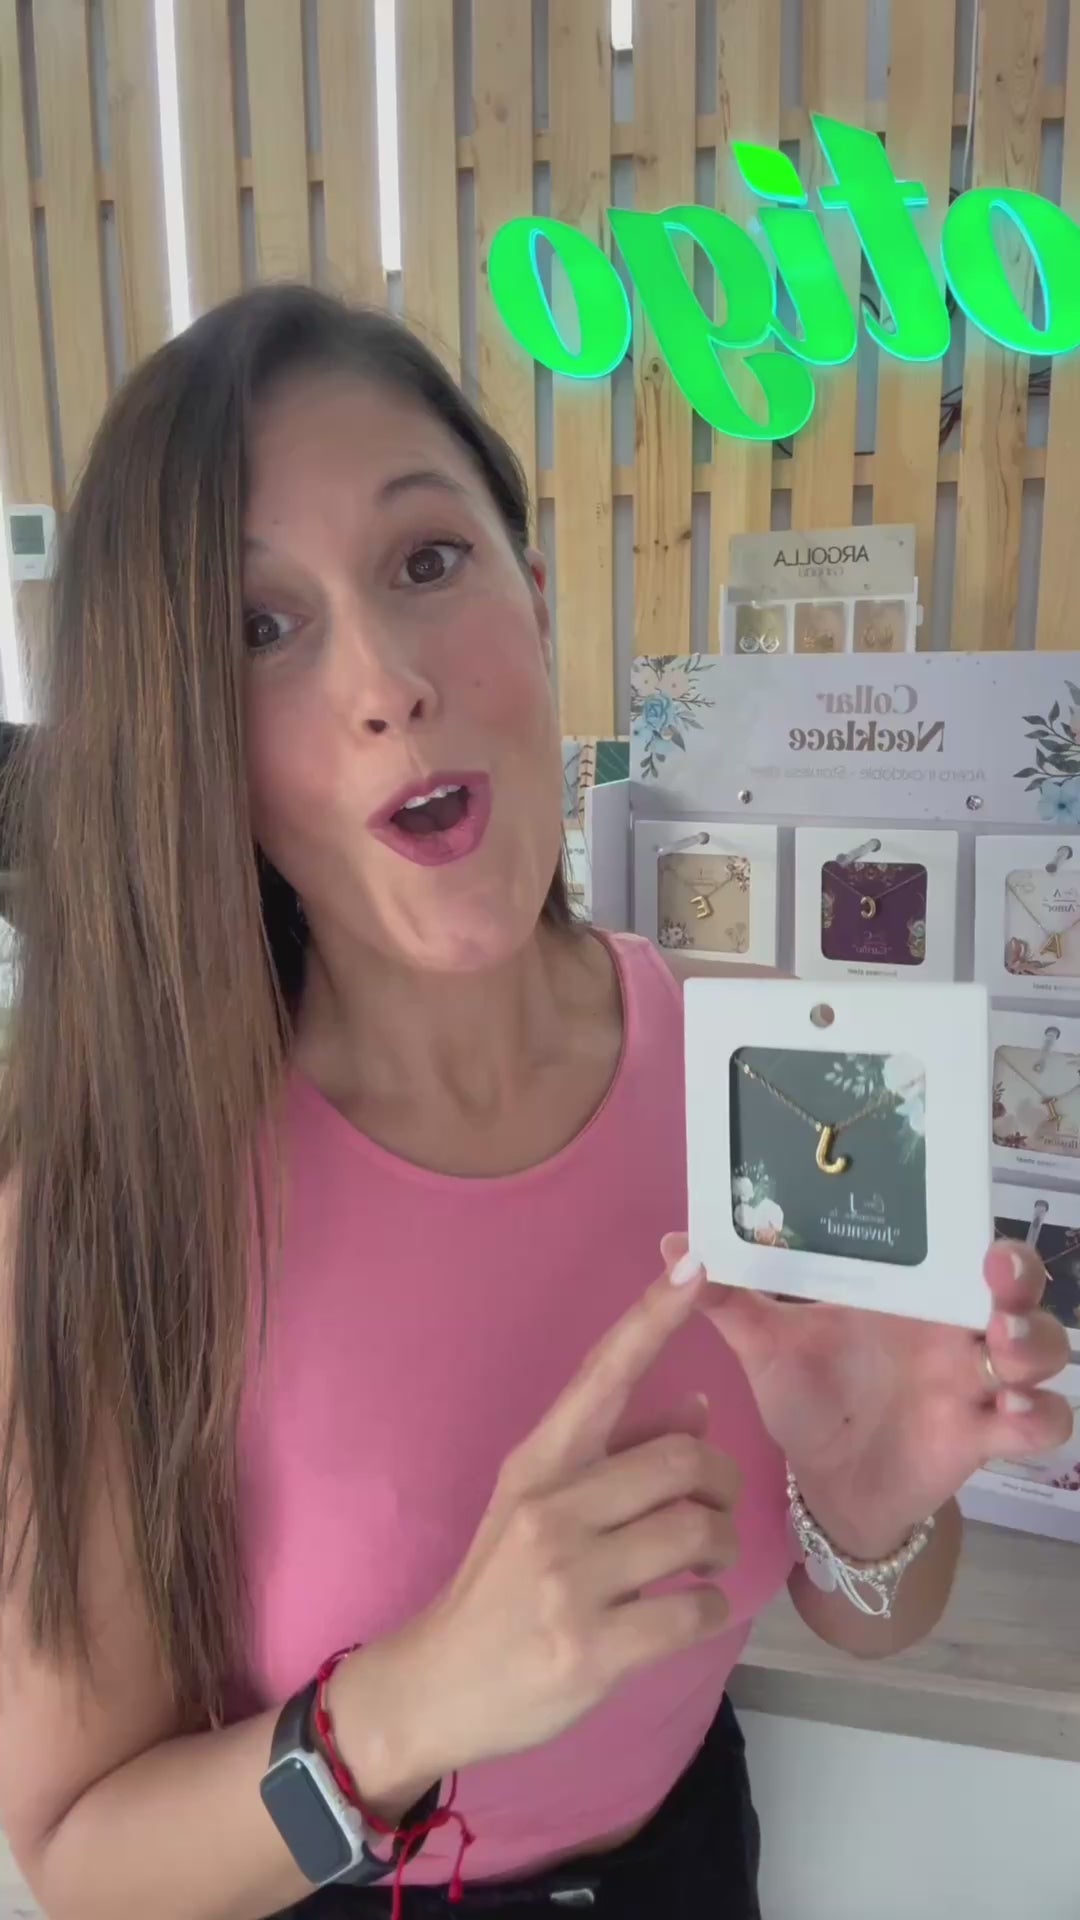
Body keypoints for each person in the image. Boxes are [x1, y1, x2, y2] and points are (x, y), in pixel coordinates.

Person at [0, 286, 1068, 1920]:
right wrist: (409, 1705)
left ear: (535, 589)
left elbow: (872, 1612)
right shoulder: (116, 1205)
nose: (387, 681)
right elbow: (81, 1864)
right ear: (186, 731)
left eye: (428, 561)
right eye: (258, 630)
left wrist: (872, 1517)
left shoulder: (768, 1075)